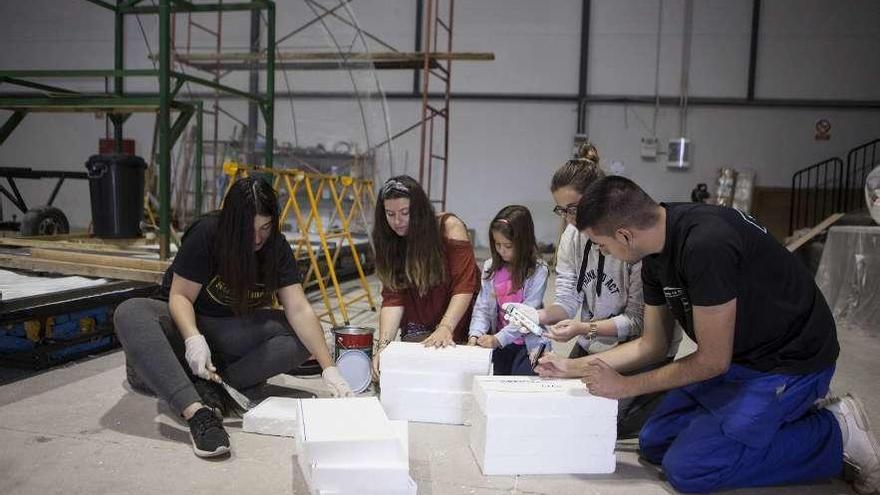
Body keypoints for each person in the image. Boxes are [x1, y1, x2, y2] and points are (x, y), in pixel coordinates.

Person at [538, 175, 880, 494]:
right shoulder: (654, 248)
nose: (602, 252)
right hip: (740, 357)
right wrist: (572, 369)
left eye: (601, 244)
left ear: (624, 235)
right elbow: (652, 345)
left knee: (690, 469)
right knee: (655, 442)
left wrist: (626, 386)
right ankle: (764, 423)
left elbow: (712, 361)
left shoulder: (705, 245)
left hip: (788, 362)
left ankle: (836, 432)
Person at [115, 177, 352, 459]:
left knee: (305, 337)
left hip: (223, 340)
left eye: (265, 228)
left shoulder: (275, 248)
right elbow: (180, 298)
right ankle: (197, 411)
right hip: (178, 335)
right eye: (248, 229)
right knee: (130, 312)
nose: (257, 239)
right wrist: (193, 339)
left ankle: (214, 388)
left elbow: (299, 309)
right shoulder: (207, 233)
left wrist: (329, 368)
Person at [536, 143, 675, 438]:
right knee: (553, 404)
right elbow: (565, 298)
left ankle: (663, 395)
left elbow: (640, 325)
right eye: (561, 210)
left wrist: (583, 328)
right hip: (592, 342)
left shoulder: (633, 243)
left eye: (573, 209)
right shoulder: (572, 237)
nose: (569, 219)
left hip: (634, 348)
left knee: (606, 424)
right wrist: (536, 317)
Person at [370, 175, 481, 378]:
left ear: (419, 210)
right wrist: (383, 346)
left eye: (405, 213)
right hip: (418, 319)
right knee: (412, 372)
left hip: (455, 316)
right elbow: (393, 298)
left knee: (449, 372)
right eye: (390, 214)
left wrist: (446, 326)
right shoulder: (388, 239)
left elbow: (464, 286)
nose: (397, 221)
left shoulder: (449, 227)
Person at [467, 205, 550, 375]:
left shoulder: (538, 270)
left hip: (530, 344)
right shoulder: (491, 267)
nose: (501, 250)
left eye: (508, 245)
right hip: (500, 343)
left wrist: (498, 339)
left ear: (523, 242)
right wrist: (475, 334)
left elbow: (527, 315)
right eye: (497, 244)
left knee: (523, 384)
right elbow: (482, 307)